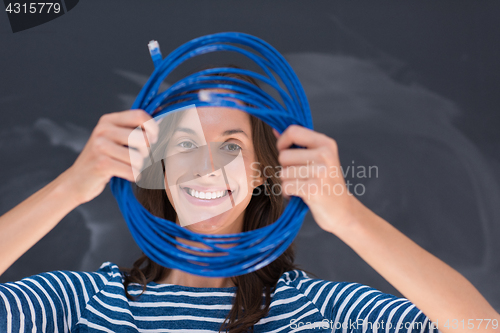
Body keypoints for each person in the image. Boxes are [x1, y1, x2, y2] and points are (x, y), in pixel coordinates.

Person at [0, 68, 498, 333]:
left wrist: (349, 217)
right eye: (185, 144)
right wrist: (70, 186)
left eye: (232, 146)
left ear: (265, 172)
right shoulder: (83, 303)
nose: (206, 167)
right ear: (160, 169)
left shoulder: (317, 308)